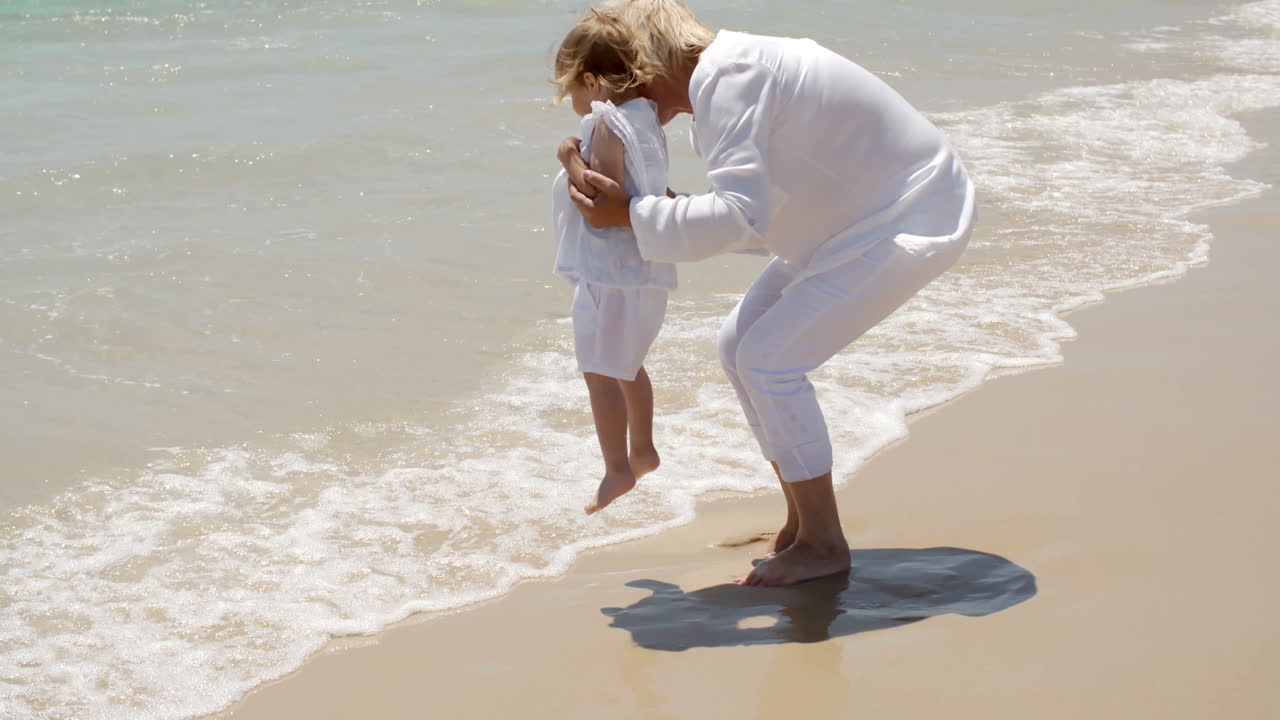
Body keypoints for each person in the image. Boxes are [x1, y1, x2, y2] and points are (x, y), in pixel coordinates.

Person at [558, 0, 977, 586]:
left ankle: (824, 542)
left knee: (769, 360)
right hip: (851, 222)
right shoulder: (726, 79)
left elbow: (738, 217)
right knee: (738, 345)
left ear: (648, 62)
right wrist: (634, 202)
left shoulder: (730, 76)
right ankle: (802, 525)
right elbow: (758, 211)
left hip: (910, 214)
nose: (625, 97)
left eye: (626, 74)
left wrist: (631, 214)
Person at [550, 10, 678, 515]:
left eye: (573, 93)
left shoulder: (604, 122)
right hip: (645, 265)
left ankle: (617, 468)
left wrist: (569, 158)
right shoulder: (647, 118)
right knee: (627, 365)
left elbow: (600, 193)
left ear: (590, 78)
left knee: (598, 372)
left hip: (610, 271)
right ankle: (642, 448)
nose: (575, 105)